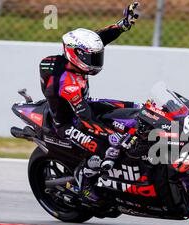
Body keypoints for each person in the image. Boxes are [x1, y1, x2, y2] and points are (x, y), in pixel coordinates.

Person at [39, 2, 140, 202]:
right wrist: (113, 135)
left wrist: (122, 25)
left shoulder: (71, 58)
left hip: (83, 104)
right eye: (90, 57)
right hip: (69, 123)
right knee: (106, 147)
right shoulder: (68, 84)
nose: (95, 61)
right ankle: (84, 183)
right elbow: (86, 120)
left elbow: (99, 39)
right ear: (75, 55)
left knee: (134, 109)